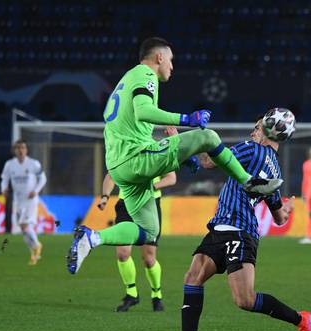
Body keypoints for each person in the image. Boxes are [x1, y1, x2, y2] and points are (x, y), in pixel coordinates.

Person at [67, 37, 282, 274]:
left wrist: (182, 156)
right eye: (170, 60)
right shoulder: (144, 74)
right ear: (159, 57)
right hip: (134, 159)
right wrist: (187, 119)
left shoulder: (126, 81)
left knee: (148, 231)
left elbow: (134, 128)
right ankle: (249, 182)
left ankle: (92, 238)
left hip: (121, 166)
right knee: (207, 137)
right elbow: (144, 112)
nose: (172, 66)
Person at [154, 117, 311, 331]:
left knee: (244, 299)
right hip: (222, 227)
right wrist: (288, 206)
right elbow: (280, 218)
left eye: (257, 127)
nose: (253, 130)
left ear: (265, 131)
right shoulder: (274, 166)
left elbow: (208, 161)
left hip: (238, 230)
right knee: (193, 277)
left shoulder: (250, 148)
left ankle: (301, 319)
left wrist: (184, 141)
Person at [97, 171, 176, 312]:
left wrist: (151, 186)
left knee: (149, 258)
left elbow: (171, 178)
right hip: (125, 204)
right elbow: (111, 176)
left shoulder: (157, 150)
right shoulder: (124, 151)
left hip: (149, 205)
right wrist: (105, 197)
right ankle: (131, 293)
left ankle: (156, 294)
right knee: (122, 253)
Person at [0, 140, 47, 265]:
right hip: (18, 200)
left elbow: (43, 178)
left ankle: (37, 245)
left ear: (26, 150)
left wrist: (36, 190)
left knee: (25, 225)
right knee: (23, 228)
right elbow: (4, 179)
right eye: (18, 148)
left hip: (30, 200)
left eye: (23, 148)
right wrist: (3, 188)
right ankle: (34, 253)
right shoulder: (9, 165)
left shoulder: (33, 164)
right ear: (14, 150)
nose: (20, 150)